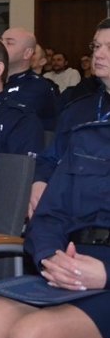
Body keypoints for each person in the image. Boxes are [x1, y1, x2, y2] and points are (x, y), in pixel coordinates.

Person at [0, 122, 110, 338]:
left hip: (103, 275)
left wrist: (105, 274)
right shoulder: (89, 137)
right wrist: (51, 258)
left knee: (32, 337)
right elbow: (49, 217)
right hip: (71, 261)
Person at [30, 20, 110, 217]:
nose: (98, 54)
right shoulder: (77, 110)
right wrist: (39, 181)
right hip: (70, 223)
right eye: (96, 46)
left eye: (109, 47)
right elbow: (50, 159)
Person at [1, 27, 58, 130]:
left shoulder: (37, 87)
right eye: (1, 41)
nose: (0, 46)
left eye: (9, 43)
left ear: (27, 53)